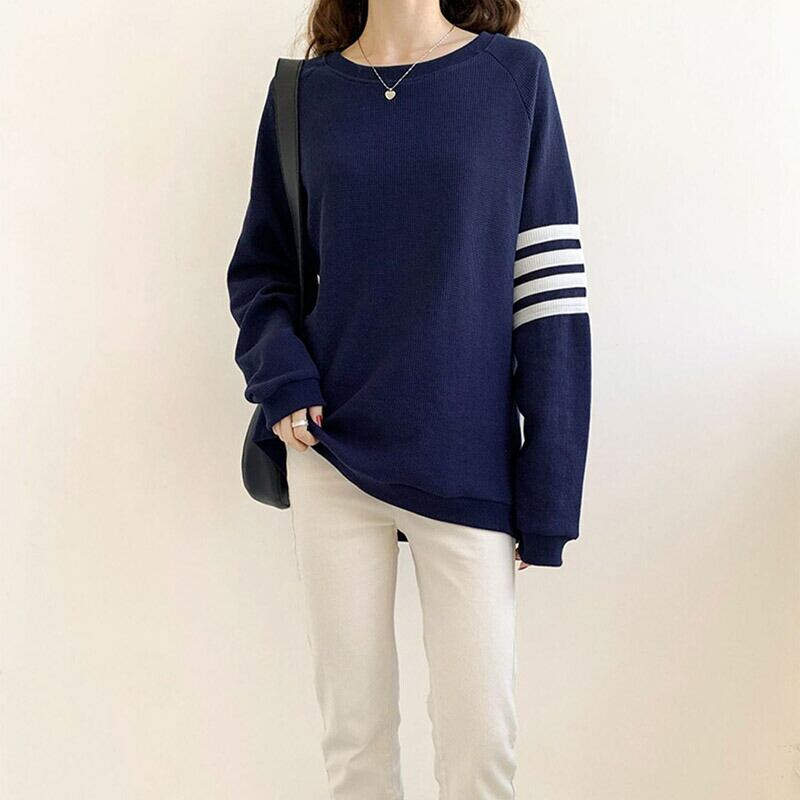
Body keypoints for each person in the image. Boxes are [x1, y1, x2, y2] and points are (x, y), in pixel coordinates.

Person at [226, 0, 591, 797]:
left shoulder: (513, 79)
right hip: (331, 453)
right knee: (355, 744)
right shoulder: (304, 95)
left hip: (468, 460)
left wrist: (550, 485)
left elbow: (549, 290)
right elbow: (262, 271)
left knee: (480, 743)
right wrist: (283, 380)